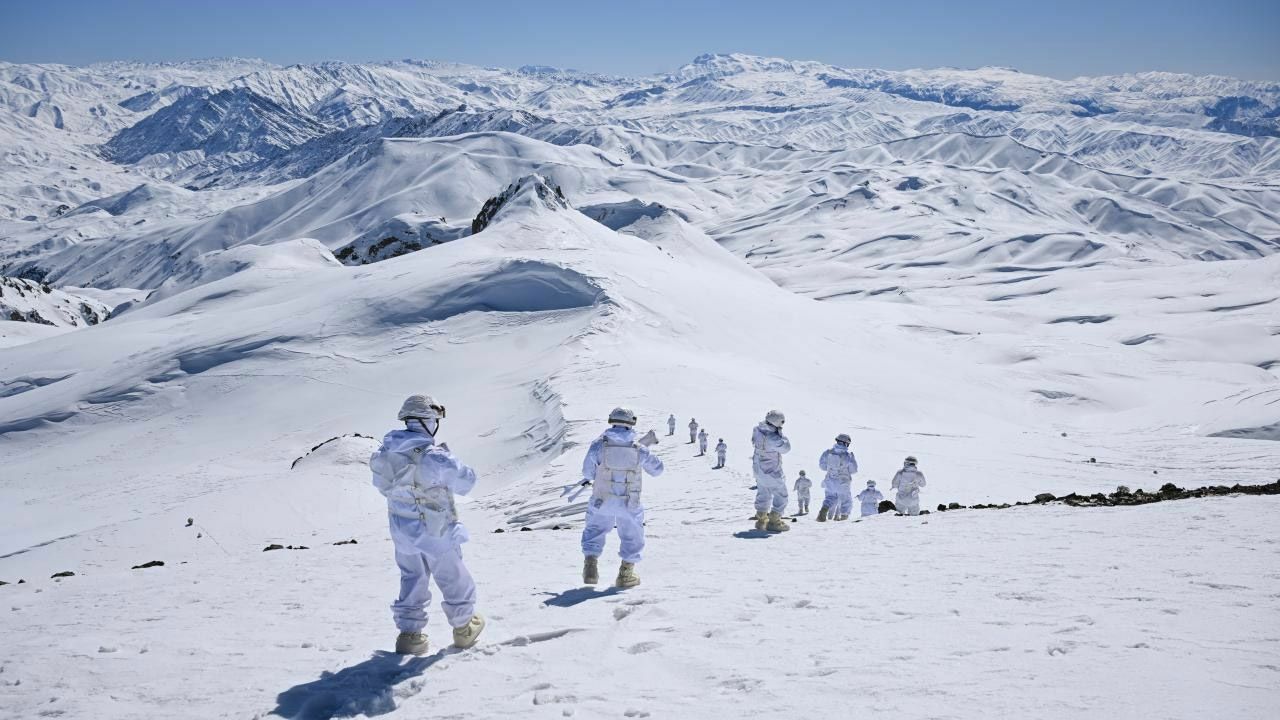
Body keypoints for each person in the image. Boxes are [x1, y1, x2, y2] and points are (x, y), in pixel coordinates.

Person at [370, 394, 486, 656]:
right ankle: (464, 626)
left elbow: (381, 486)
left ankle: (410, 635)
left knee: (412, 577)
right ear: (429, 421)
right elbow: (467, 482)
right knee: (452, 575)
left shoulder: (386, 453)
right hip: (435, 529)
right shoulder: (434, 457)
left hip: (401, 529)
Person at [579, 407, 665, 588]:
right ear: (631, 423)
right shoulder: (640, 449)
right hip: (629, 502)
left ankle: (590, 569)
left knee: (594, 529)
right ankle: (625, 575)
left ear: (611, 421)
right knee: (632, 534)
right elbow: (658, 471)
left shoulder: (598, 445)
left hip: (601, 500)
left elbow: (587, 472)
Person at [751, 410, 791, 532]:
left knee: (764, 493)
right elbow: (786, 448)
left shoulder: (757, 430)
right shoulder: (773, 438)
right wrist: (781, 434)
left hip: (759, 469)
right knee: (781, 495)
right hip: (771, 471)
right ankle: (774, 521)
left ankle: (761, 520)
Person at [817, 433, 859, 522]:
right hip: (842, 483)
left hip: (829, 481)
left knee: (829, 498)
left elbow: (822, 466)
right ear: (845, 443)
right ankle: (843, 518)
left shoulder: (828, 452)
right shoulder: (848, 456)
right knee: (846, 500)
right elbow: (853, 470)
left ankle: (823, 511)